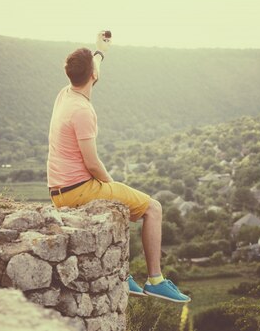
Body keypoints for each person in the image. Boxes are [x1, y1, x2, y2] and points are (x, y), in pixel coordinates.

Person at [46, 31, 190, 303]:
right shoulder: (83, 111)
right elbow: (92, 163)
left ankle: (124, 276)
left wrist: (100, 52)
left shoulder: (64, 95)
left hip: (57, 190)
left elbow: (92, 71)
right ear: (93, 77)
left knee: (120, 199)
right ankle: (156, 280)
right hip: (77, 191)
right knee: (152, 208)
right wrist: (111, 185)